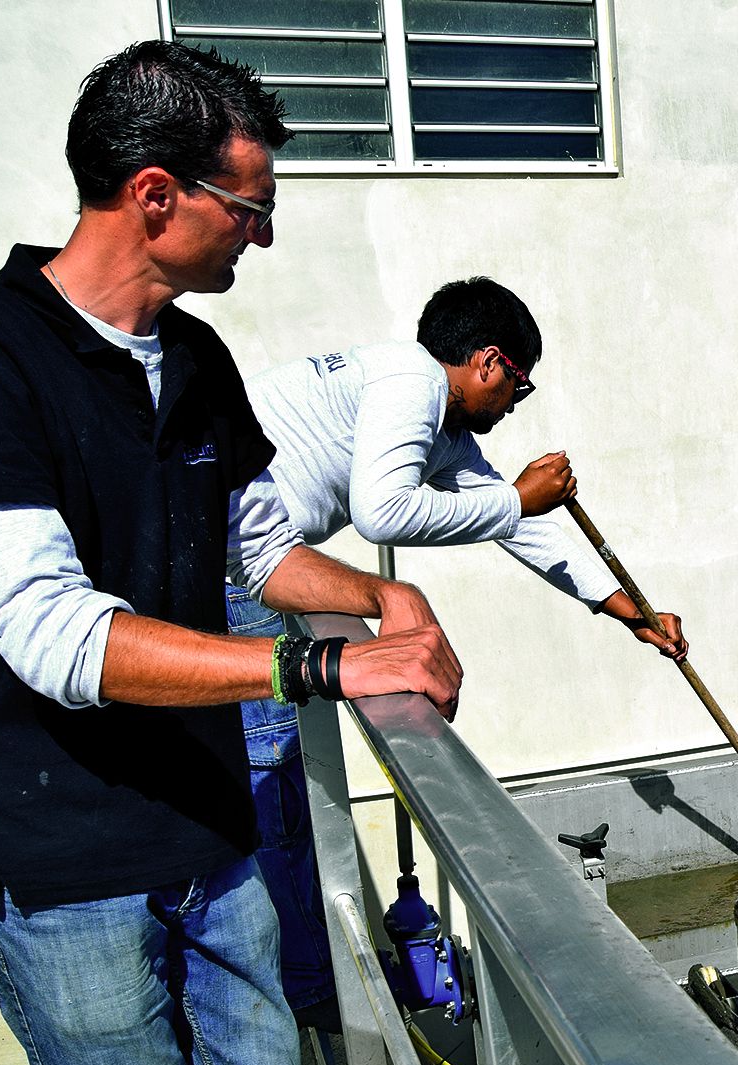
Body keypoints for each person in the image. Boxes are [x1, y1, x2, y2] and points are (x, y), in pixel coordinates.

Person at [0, 42, 462, 1065]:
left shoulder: (194, 358)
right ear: (158, 196)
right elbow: (55, 634)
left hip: (204, 833)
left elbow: (261, 549)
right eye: (251, 207)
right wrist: (317, 662)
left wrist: (384, 600)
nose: (262, 237)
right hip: (57, 862)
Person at [231, 276, 688, 1020]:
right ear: (489, 362)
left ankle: (306, 975)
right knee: (275, 784)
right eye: (519, 387)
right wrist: (517, 496)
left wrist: (621, 607)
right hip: (237, 573)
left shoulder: (441, 427)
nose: (511, 407)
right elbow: (383, 512)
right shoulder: (410, 380)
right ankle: (310, 988)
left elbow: (518, 527)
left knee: (277, 785)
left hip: (258, 570)